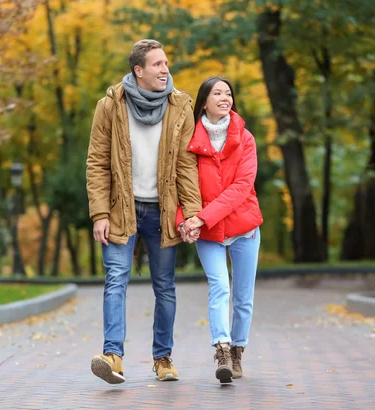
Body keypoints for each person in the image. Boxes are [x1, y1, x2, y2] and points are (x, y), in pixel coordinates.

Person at [86, 39, 202, 384]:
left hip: (162, 212)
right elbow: (96, 163)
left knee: (165, 286)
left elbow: (186, 165)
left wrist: (192, 213)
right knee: (115, 280)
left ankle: (162, 359)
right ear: (139, 70)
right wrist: (99, 213)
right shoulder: (110, 106)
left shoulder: (180, 106)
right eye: (157, 65)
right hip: (122, 209)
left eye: (166, 63)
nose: (165, 70)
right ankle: (113, 356)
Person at [177, 76, 263, 384]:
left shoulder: (246, 138)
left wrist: (200, 218)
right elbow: (183, 185)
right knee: (219, 287)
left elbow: (242, 187)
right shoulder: (191, 139)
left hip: (243, 227)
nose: (224, 97)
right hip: (209, 233)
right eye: (218, 93)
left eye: (228, 92)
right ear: (204, 101)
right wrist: (183, 221)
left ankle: (238, 351)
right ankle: (222, 349)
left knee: (242, 296)